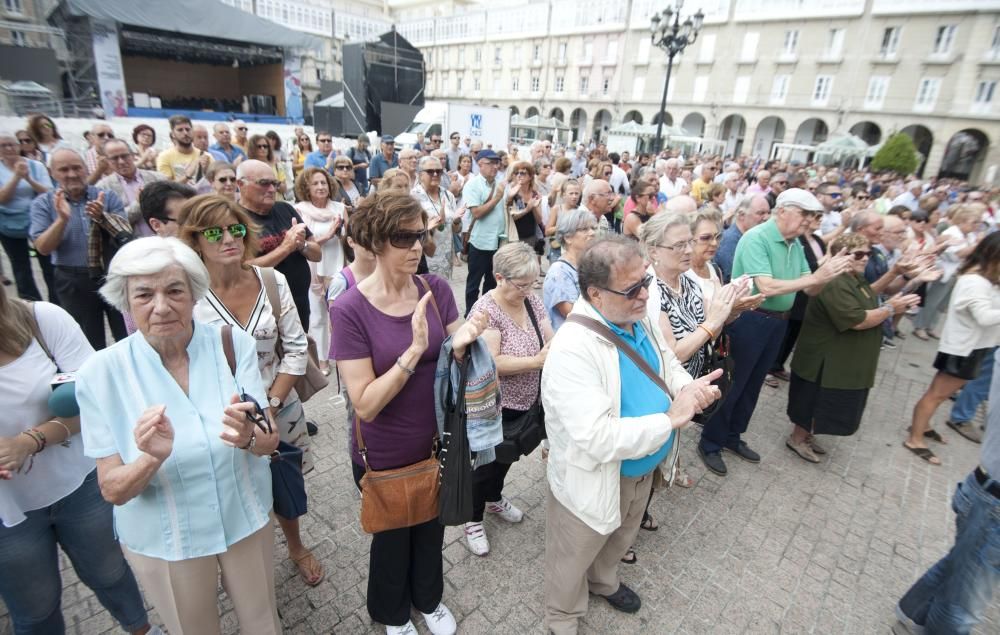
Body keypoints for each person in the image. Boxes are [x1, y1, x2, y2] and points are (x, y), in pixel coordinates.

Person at [75, 236, 281, 634]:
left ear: (193, 294)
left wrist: (249, 439)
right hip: (168, 540)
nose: (162, 306)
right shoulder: (100, 374)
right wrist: (151, 458)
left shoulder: (230, 343)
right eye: (144, 295)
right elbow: (112, 489)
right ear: (125, 302)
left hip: (245, 516)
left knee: (262, 622)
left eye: (174, 291)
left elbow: (269, 439)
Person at [541, 236, 722, 634]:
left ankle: (604, 582)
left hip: (643, 466)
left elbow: (665, 363)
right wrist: (671, 420)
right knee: (574, 553)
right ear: (595, 294)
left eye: (647, 282)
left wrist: (686, 388)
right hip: (595, 476)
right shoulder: (573, 348)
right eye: (632, 289)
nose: (644, 296)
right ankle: (563, 615)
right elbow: (596, 438)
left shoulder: (635, 316)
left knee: (621, 535)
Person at [330, 190, 486, 635]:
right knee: (393, 539)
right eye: (404, 237)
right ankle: (393, 614)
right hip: (384, 451)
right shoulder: (349, 309)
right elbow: (365, 402)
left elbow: (461, 341)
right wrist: (416, 350)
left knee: (432, 531)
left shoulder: (435, 289)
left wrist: (472, 336)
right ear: (376, 242)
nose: (417, 246)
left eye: (421, 235)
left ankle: (429, 599)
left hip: (438, 442)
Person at [177, 194, 324, 587]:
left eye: (236, 228)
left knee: (286, 483)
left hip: (281, 404)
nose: (228, 238)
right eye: (214, 231)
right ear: (194, 240)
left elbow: (295, 348)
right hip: (220, 417)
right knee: (229, 490)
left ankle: (295, 546)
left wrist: (271, 405)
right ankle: (239, 561)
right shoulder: (185, 296)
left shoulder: (271, 281)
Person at [0, 285, 158, 635]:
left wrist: (30, 440)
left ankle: (141, 628)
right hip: (8, 515)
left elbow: (97, 399)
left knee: (111, 571)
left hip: (79, 484)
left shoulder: (42, 321)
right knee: (35, 610)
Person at [700, 189, 855, 476]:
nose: (810, 222)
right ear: (783, 210)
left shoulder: (794, 244)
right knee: (734, 383)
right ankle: (711, 442)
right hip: (750, 318)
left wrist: (827, 274)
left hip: (776, 322)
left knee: (753, 384)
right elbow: (767, 287)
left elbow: (809, 287)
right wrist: (816, 276)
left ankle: (733, 436)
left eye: (813, 216)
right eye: (805, 214)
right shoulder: (757, 238)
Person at [785, 233, 920, 462]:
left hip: (839, 361)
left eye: (868, 253)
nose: (865, 258)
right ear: (843, 256)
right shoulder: (834, 281)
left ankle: (807, 435)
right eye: (858, 254)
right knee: (814, 400)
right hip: (823, 360)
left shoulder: (853, 276)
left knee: (823, 403)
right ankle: (798, 438)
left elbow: (868, 294)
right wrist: (889, 309)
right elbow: (857, 320)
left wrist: (895, 272)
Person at [895, 347, 1000, 634]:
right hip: (992, 500)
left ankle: (912, 613)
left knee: (964, 566)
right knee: (964, 606)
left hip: (986, 490)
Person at [466, 242, 553, 555]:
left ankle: (494, 499)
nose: (529, 290)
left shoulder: (530, 298)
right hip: (496, 407)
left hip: (527, 401)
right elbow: (493, 363)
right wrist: (536, 362)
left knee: (508, 457)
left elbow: (548, 335)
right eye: (522, 284)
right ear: (499, 277)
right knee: (485, 465)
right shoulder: (486, 312)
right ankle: (472, 518)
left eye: (533, 282)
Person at [905, 232, 1000, 465]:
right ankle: (915, 438)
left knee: (941, 394)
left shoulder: (985, 279)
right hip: (963, 347)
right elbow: (985, 317)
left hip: (973, 346)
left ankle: (923, 426)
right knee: (936, 395)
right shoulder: (975, 281)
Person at [29, 148, 129, 349]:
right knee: (87, 339)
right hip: (73, 280)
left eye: (77, 168)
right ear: (52, 173)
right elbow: (43, 247)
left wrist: (103, 218)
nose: (72, 174)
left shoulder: (105, 197)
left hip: (112, 276)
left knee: (126, 334)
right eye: (64, 170)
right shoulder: (43, 204)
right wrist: (62, 220)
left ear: (85, 169)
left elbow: (125, 235)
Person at [239, 159, 321, 330]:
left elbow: (317, 254)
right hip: (263, 312)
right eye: (264, 183)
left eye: (275, 183)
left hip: (299, 305)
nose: (271, 189)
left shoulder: (285, 209)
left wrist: (301, 245)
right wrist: (286, 247)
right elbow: (242, 268)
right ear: (241, 184)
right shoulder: (234, 219)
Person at [294, 167, 347, 375]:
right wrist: (330, 233)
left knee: (339, 314)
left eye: (323, 182)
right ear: (306, 187)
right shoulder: (299, 210)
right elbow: (303, 242)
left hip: (337, 266)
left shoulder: (339, 208)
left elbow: (347, 239)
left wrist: (341, 231)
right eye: (315, 183)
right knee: (317, 318)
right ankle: (322, 361)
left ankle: (343, 356)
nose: (320, 187)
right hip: (311, 268)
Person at [912, 205, 984, 340]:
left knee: (942, 304)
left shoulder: (969, 236)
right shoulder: (951, 233)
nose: (977, 226)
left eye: (978, 222)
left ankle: (930, 327)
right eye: (974, 222)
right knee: (933, 301)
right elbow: (957, 254)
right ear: (962, 221)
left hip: (958, 274)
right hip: (944, 272)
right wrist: (977, 245)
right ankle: (920, 326)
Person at [1, 131, 53, 301]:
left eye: (12, 144)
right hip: (9, 224)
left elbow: (48, 192)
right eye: (3, 145)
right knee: (20, 265)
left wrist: (28, 178)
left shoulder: (36, 166)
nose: (9, 148)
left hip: (39, 221)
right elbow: (2, 198)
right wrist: (16, 177)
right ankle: (31, 303)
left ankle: (57, 301)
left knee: (48, 264)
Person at [463, 149, 507, 314]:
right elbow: (477, 213)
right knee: (473, 283)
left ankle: (488, 314)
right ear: (480, 164)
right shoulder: (472, 185)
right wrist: (497, 198)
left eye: (497, 163)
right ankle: (470, 315)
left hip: (498, 242)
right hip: (480, 242)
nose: (495, 167)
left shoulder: (500, 184)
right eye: (491, 163)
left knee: (492, 283)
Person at [96, 138, 166, 238]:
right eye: (114, 158)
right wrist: (138, 204)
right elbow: (113, 223)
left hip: (164, 240)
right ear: (107, 161)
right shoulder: (103, 188)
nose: (121, 161)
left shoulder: (158, 178)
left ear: (133, 155)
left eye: (124, 156)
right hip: (130, 246)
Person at [543, 209, 597, 331]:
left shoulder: (589, 264)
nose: (592, 233)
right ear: (568, 238)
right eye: (584, 229)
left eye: (593, 228)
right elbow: (572, 314)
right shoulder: (559, 272)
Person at [412, 155, 458, 280]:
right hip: (424, 260)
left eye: (439, 171)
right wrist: (430, 227)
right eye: (430, 171)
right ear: (420, 174)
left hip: (446, 259)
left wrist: (457, 221)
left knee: (442, 294)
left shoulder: (448, 195)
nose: (436, 174)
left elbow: (455, 230)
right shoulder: (413, 197)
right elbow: (410, 232)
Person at [716, 195, 770, 282]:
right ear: (741, 215)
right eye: (761, 213)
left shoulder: (757, 238)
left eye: (768, 213)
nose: (767, 218)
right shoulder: (729, 240)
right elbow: (734, 279)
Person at [156, 115, 211, 186]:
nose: (185, 133)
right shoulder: (164, 156)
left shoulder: (205, 155)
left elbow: (215, 183)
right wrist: (187, 176)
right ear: (173, 134)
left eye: (188, 129)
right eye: (180, 130)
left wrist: (206, 170)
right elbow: (166, 188)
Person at [685, 209, 724, 304]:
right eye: (706, 238)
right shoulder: (680, 275)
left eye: (717, 237)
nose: (714, 243)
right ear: (689, 239)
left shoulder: (715, 270)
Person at [544, 178, 582, 261]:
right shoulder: (557, 209)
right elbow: (547, 231)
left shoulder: (581, 210)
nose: (574, 196)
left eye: (576, 193)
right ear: (564, 194)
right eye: (571, 193)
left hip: (574, 250)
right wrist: (564, 225)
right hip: (557, 249)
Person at [247, 134, 291, 201]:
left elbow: (284, 189)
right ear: (253, 148)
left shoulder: (277, 165)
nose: (263, 148)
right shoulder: (248, 167)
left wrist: (273, 182)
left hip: (277, 203)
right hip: (258, 204)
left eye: (265, 146)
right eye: (259, 146)